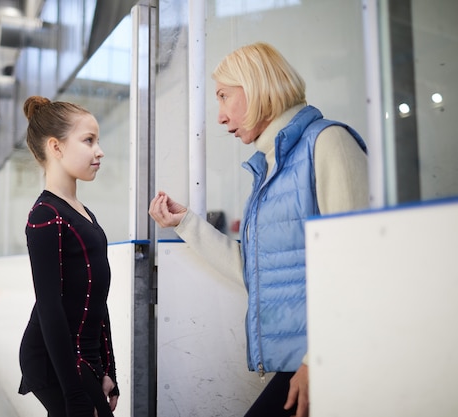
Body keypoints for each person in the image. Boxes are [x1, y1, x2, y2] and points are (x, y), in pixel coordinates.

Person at [149, 42, 369, 417]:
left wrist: (318, 360)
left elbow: (359, 265)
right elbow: (255, 269)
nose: (219, 117)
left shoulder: (328, 142)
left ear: (257, 88)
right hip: (300, 362)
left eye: (223, 97)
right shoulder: (270, 167)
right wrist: (185, 223)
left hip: (332, 359)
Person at [18, 96, 120, 417]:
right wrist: (74, 392)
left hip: (82, 354)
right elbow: (50, 307)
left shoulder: (82, 212)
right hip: (53, 359)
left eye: (97, 141)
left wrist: (108, 369)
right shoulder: (45, 215)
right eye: (88, 141)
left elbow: (96, 301)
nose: (99, 150)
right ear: (56, 147)